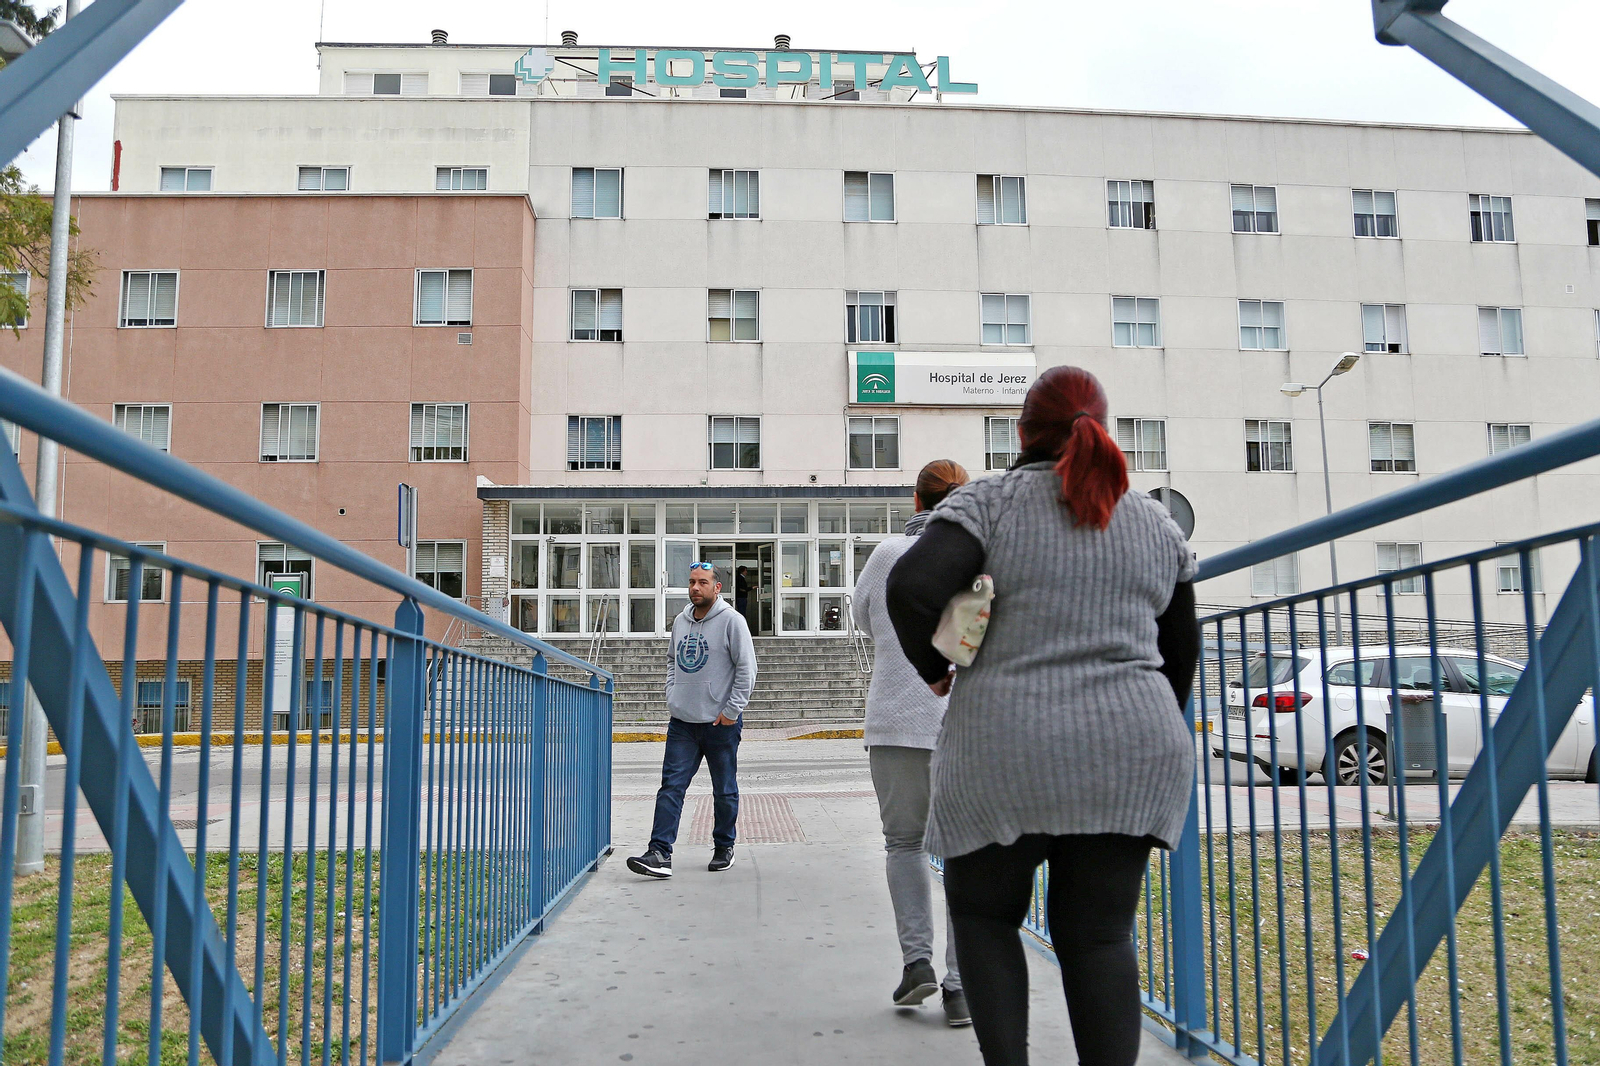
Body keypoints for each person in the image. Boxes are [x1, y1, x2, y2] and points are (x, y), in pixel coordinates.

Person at [885, 366, 1200, 1066]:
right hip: (1131, 753)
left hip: (1004, 750)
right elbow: (1179, 657)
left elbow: (911, 587)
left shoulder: (989, 502)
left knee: (984, 915)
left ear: (1022, 432)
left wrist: (936, 671)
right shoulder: (1152, 520)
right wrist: (1137, 728)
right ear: (1101, 428)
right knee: (1098, 937)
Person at [852, 459, 972, 1028]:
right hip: (962, 723)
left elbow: (865, 622)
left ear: (916, 500)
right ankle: (959, 986)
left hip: (896, 717)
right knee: (967, 856)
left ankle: (916, 962)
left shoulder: (884, 556)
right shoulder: (977, 559)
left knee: (903, 844)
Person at [627, 563, 756, 878]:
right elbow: (672, 660)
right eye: (691, 582)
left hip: (719, 723)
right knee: (671, 787)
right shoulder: (681, 623)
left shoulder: (732, 622)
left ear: (717, 587)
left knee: (723, 789)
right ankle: (659, 853)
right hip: (682, 723)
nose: (695, 588)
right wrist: (673, 696)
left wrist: (731, 711)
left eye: (702, 583)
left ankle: (724, 846)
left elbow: (747, 669)